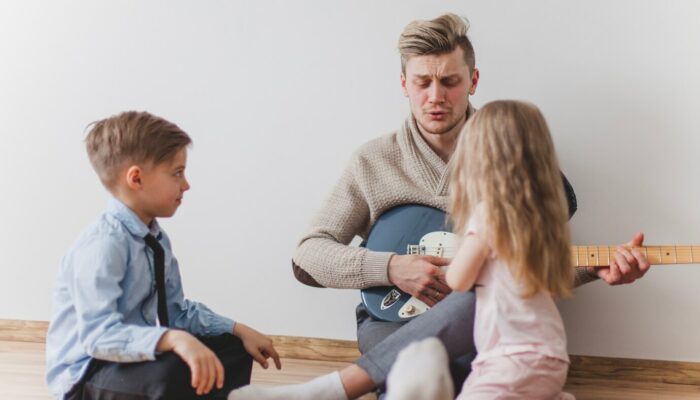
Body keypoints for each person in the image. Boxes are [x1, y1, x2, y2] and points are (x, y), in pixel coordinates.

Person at [230, 13, 650, 400]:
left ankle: (333, 390)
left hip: (486, 325)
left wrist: (594, 268)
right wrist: (392, 267)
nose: (436, 96)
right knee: (415, 375)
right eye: (422, 82)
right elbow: (308, 256)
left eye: (449, 81)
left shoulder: (517, 156)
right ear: (403, 84)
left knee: (475, 306)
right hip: (390, 320)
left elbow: (524, 269)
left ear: (473, 80)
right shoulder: (372, 161)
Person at [46, 111, 281, 399]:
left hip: (126, 359)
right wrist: (172, 339)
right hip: (87, 375)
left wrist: (237, 329)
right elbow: (99, 337)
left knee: (231, 346)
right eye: (177, 173)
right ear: (136, 178)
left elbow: (177, 313)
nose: (186, 184)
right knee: (170, 372)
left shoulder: (156, 240)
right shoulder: (102, 245)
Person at [387, 100, 577, 399]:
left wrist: (460, 254)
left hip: (508, 360)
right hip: (552, 356)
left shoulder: (489, 213)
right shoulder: (543, 220)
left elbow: (458, 280)